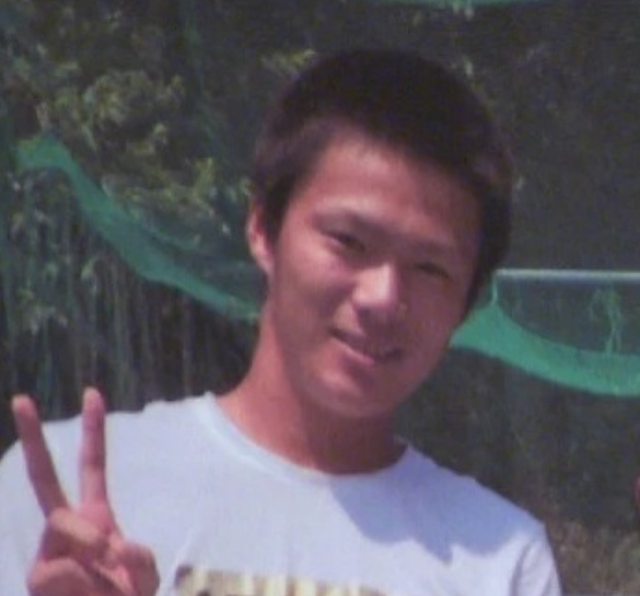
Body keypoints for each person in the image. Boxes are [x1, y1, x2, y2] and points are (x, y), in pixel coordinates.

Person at [0, 49, 561, 595]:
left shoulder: (502, 560)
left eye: (429, 268)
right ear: (263, 229)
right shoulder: (64, 502)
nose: (383, 297)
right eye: (349, 241)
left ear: (468, 302)